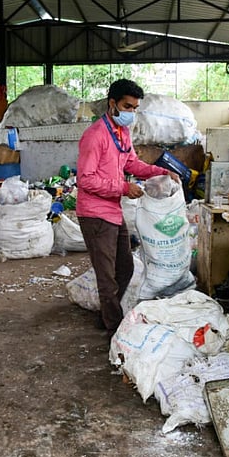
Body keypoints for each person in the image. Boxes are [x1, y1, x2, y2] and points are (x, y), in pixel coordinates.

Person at [76, 79, 178, 334]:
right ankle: (114, 330)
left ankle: (108, 314)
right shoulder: (95, 135)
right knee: (107, 277)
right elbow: (85, 179)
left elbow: (132, 163)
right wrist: (123, 188)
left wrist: (160, 171)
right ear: (113, 104)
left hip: (112, 210)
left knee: (126, 268)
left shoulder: (122, 132)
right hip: (95, 214)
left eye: (134, 108)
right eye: (127, 106)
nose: (131, 112)